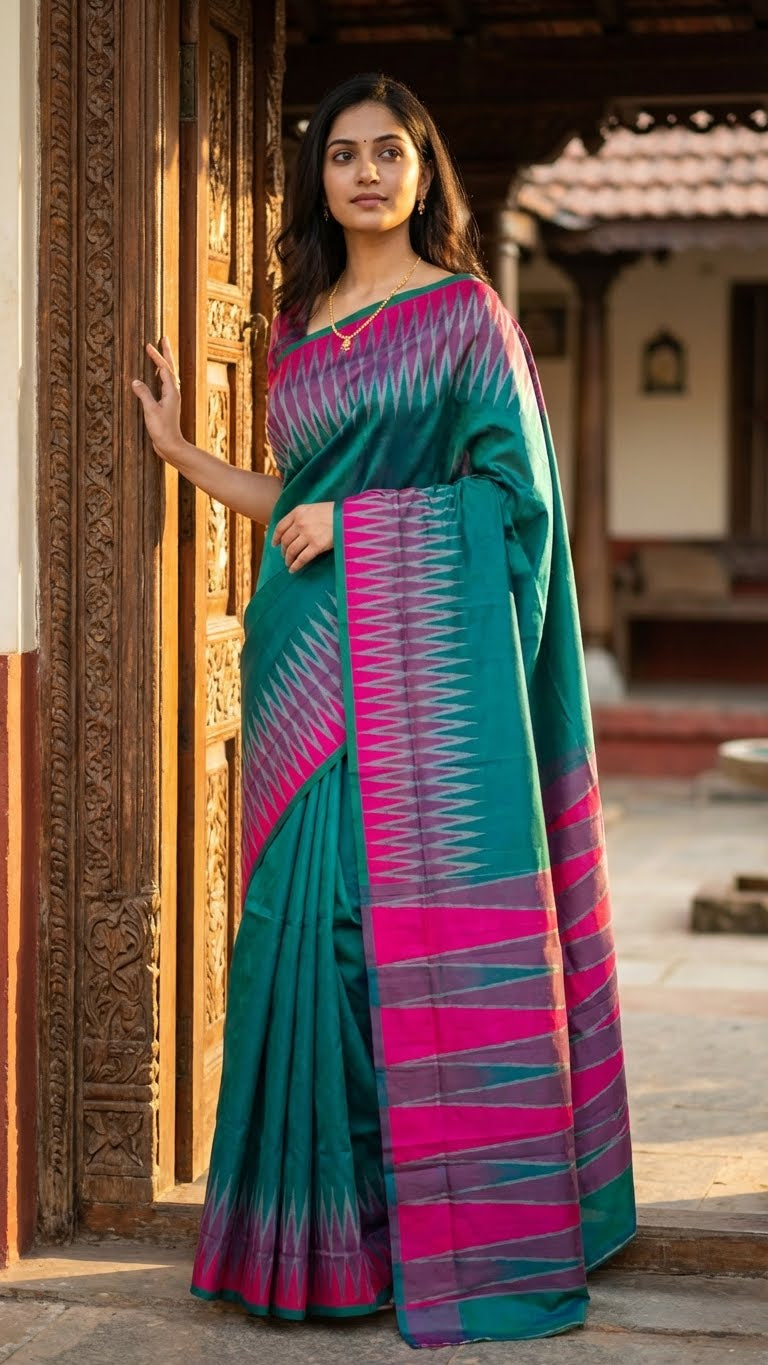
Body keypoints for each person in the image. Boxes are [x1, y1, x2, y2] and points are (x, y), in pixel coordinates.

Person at [132, 71, 637, 1351]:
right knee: (288, 936)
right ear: (319, 178)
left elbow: (517, 510)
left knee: (377, 943)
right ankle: (301, 1249)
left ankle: (414, 1244)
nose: (366, 173)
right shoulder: (297, 328)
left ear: (423, 172)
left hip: (414, 682)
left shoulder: (467, 318)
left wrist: (360, 527)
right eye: (343, 154)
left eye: (389, 152)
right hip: (301, 661)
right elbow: (291, 503)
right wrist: (185, 456)